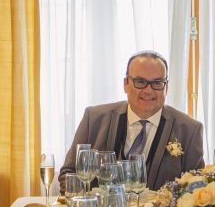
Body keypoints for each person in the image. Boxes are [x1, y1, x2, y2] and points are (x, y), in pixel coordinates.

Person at [58, 51, 204, 192]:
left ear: (167, 86)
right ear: (125, 84)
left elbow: (195, 188)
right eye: (140, 82)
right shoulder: (94, 118)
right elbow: (69, 173)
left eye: (157, 83)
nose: (148, 90)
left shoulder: (190, 130)